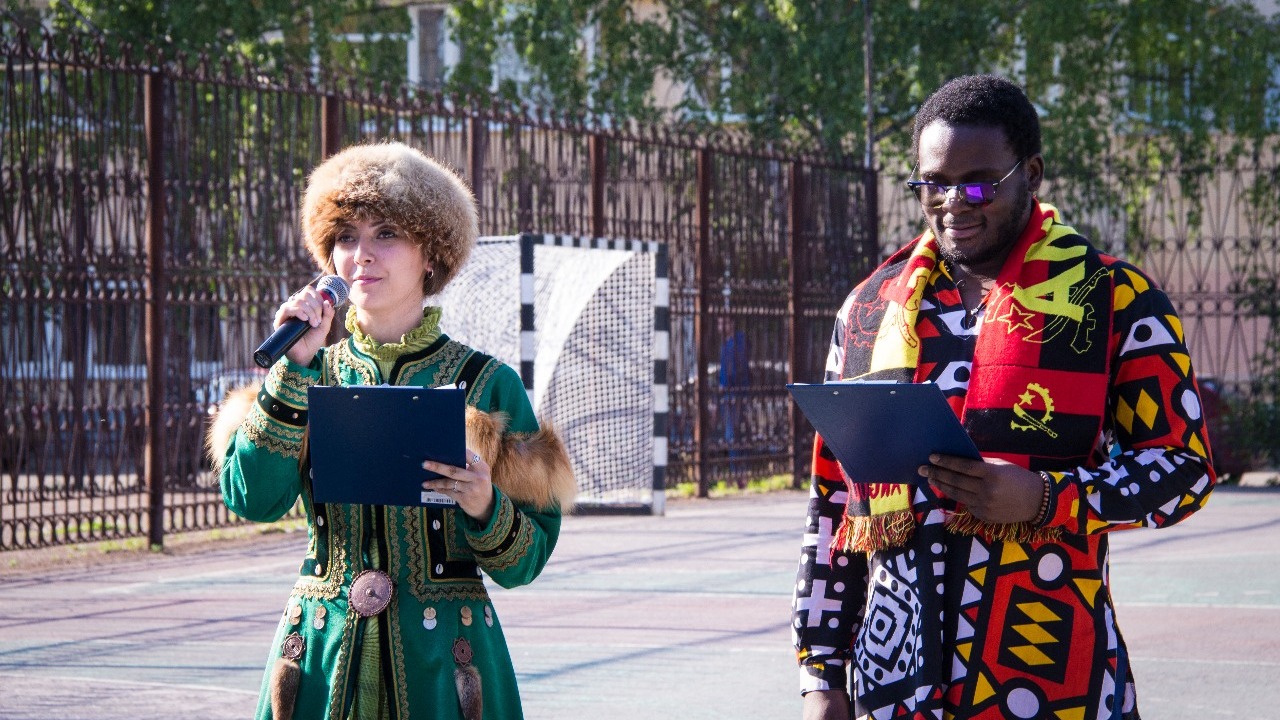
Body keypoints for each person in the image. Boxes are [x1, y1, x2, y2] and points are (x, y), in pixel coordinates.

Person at [791, 75, 1216, 720]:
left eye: (979, 184)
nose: (953, 203)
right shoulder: (870, 310)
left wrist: (1048, 497)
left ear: (1031, 175)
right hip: (894, 685)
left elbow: (1184, 470)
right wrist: (821, 672)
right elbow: (833, 500)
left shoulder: (1115, 300)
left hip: (1047, 677)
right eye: (933, 184)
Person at [207, 141, 575, 720]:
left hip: (446, 667)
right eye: (346, 236)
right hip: (320, 659)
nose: (362, 255)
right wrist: (294, 369)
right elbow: (252, 499)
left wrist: (485, 506)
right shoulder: (304, 374)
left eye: (386, 234)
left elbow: (525, 563)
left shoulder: (488, 385)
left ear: (431, 255)